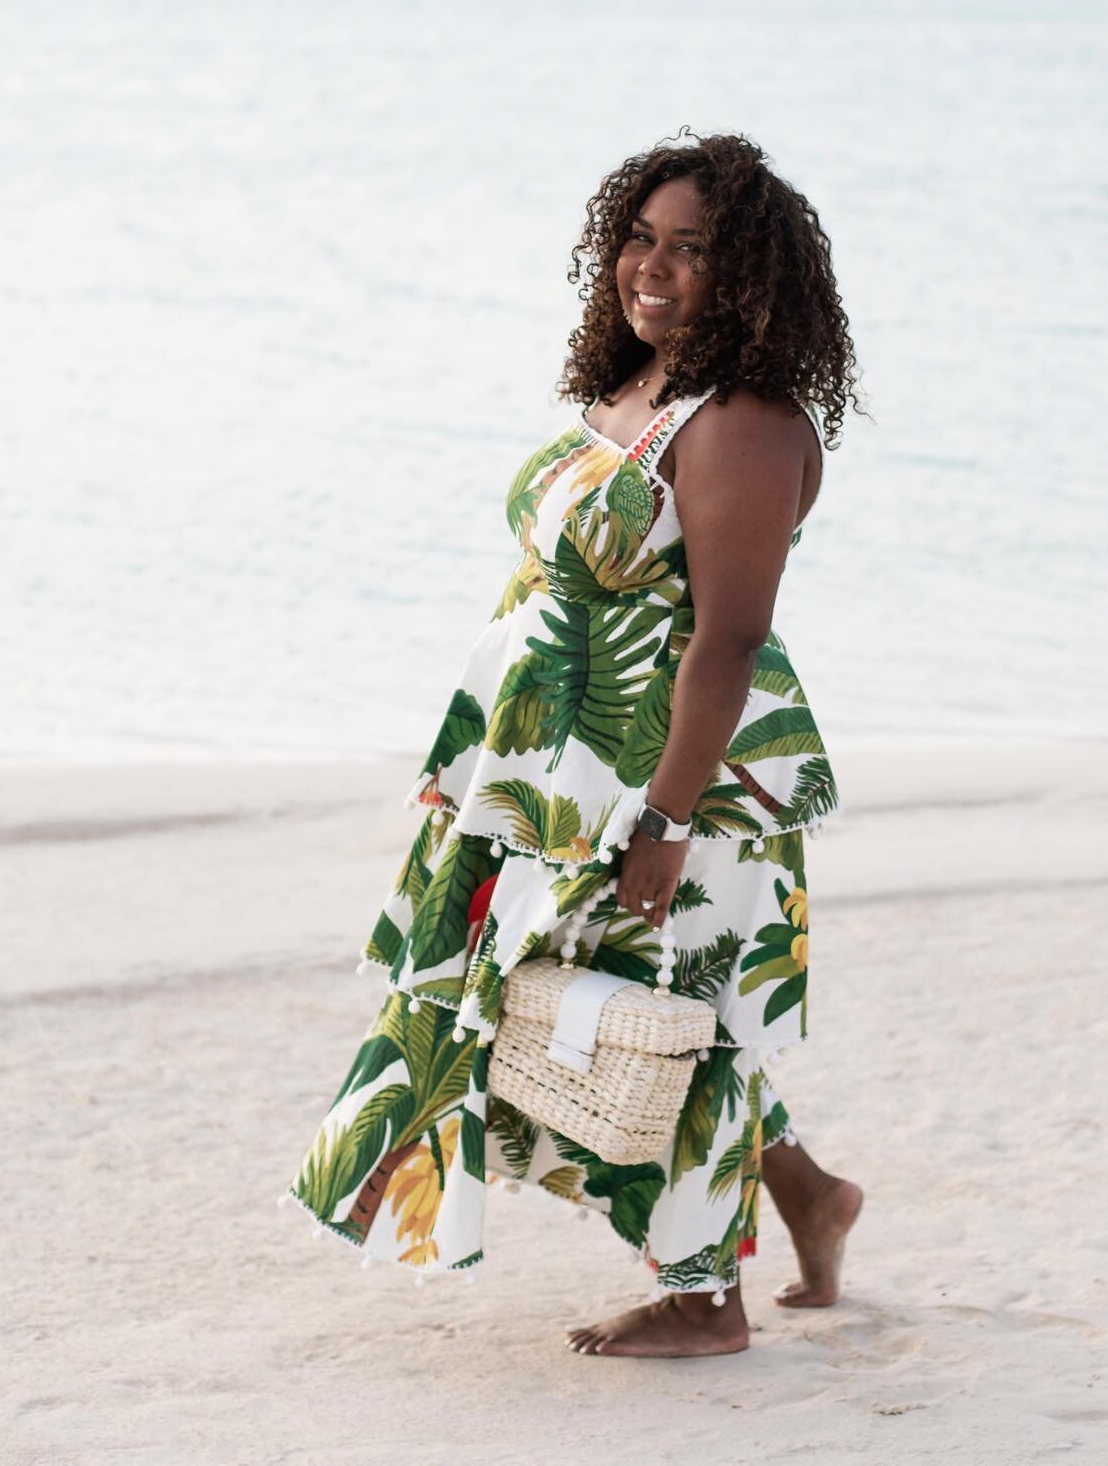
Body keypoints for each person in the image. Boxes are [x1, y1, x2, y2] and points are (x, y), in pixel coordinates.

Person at [281, 127, 864, 1358]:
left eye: (690, 248)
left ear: (747, 272)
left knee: (672, 1015)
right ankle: (807, 1193)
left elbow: (726, 642)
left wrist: (662, 819)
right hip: (552, 777)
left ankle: (707, 1299)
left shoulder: (745, 425)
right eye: (638, 237)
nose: (650, 265)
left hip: (677, 783)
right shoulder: (635, 389)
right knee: (576, 1014)